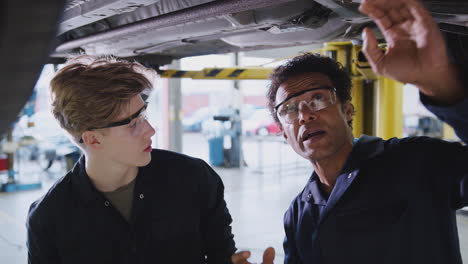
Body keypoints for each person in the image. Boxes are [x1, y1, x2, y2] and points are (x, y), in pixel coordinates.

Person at [266, 0, 468, 263]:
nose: (305, 115)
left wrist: (444, 86)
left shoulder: (415, 161)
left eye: (318, 99)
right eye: (290, 109)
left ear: (348, 110)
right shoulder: (298, 213)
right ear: (284, 133)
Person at [26, 55, 274, 264]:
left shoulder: (193, 178)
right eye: (133, 124)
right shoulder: (49, 217)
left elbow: (222, 255)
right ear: (93, 140)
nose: (150, 130)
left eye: (143, 115)